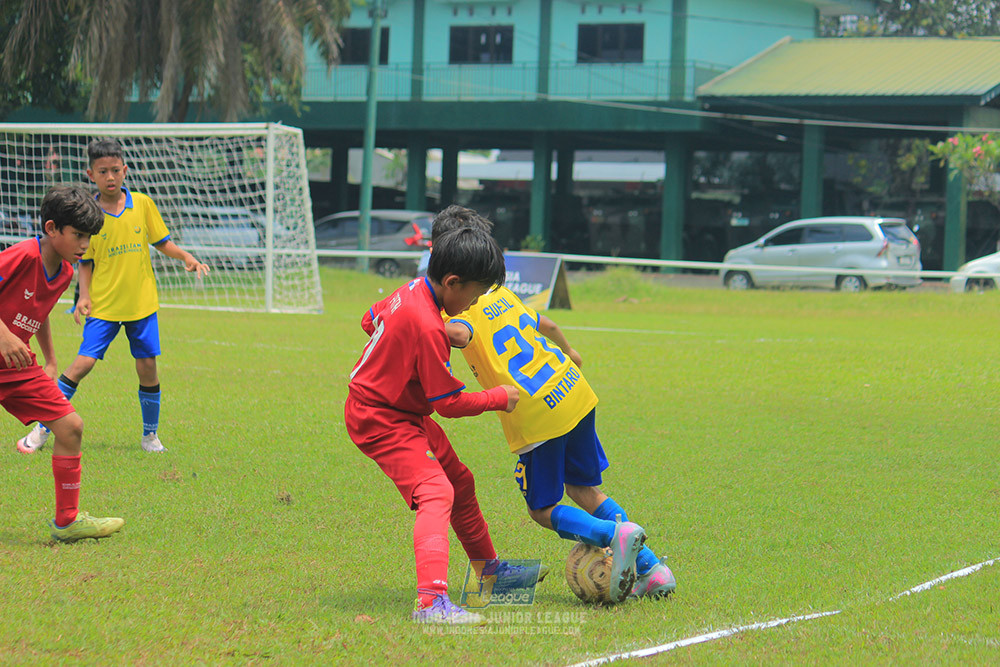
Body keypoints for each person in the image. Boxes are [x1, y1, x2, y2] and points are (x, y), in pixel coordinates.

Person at [438, 206, 675, 603]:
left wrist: (419, 322)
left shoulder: (458, 303)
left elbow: (456, 333)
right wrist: (571, 353)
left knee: (542, 507)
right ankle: (652, 569)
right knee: (584, 488)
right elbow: (545, 325)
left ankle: (611, 536)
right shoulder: (501, 291)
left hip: (537, 413)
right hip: (573, 390)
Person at [346, 227, 536, 625]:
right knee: (437, 492)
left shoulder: (414, 289)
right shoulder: (429, 326)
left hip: (400, 411)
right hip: (381, 418)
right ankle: (431, 603)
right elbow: (448, 404)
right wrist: (498, 397)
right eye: (474, 294)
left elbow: (370, 320)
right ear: (452, 282)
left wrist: (407, 346)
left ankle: (489, 575)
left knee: (460, 481)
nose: (472, 305)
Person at [17, 138, 210, 454]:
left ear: (125, 170)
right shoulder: (87, 213)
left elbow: (162, 242)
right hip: (104, 306)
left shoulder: (143, 204)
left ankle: (150, 436)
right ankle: (43, 427)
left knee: (147, 366)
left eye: (116, 170)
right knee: (82, 364)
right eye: (103, 171)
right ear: (90, 174)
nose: (110, 177)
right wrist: (83, 297)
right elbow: (86, 261)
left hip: (141, 303)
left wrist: (185, 256)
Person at [1, 186, 124, 542]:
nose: (85, 244)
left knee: (70, 426)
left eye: (89, 236)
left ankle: (67, 521)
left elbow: (37, 313)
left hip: (15, 365)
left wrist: (52, 359)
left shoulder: (66, 272)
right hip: (5, 347)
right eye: (79, 235)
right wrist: (5, 335)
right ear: (52, 228)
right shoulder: (23, 255)